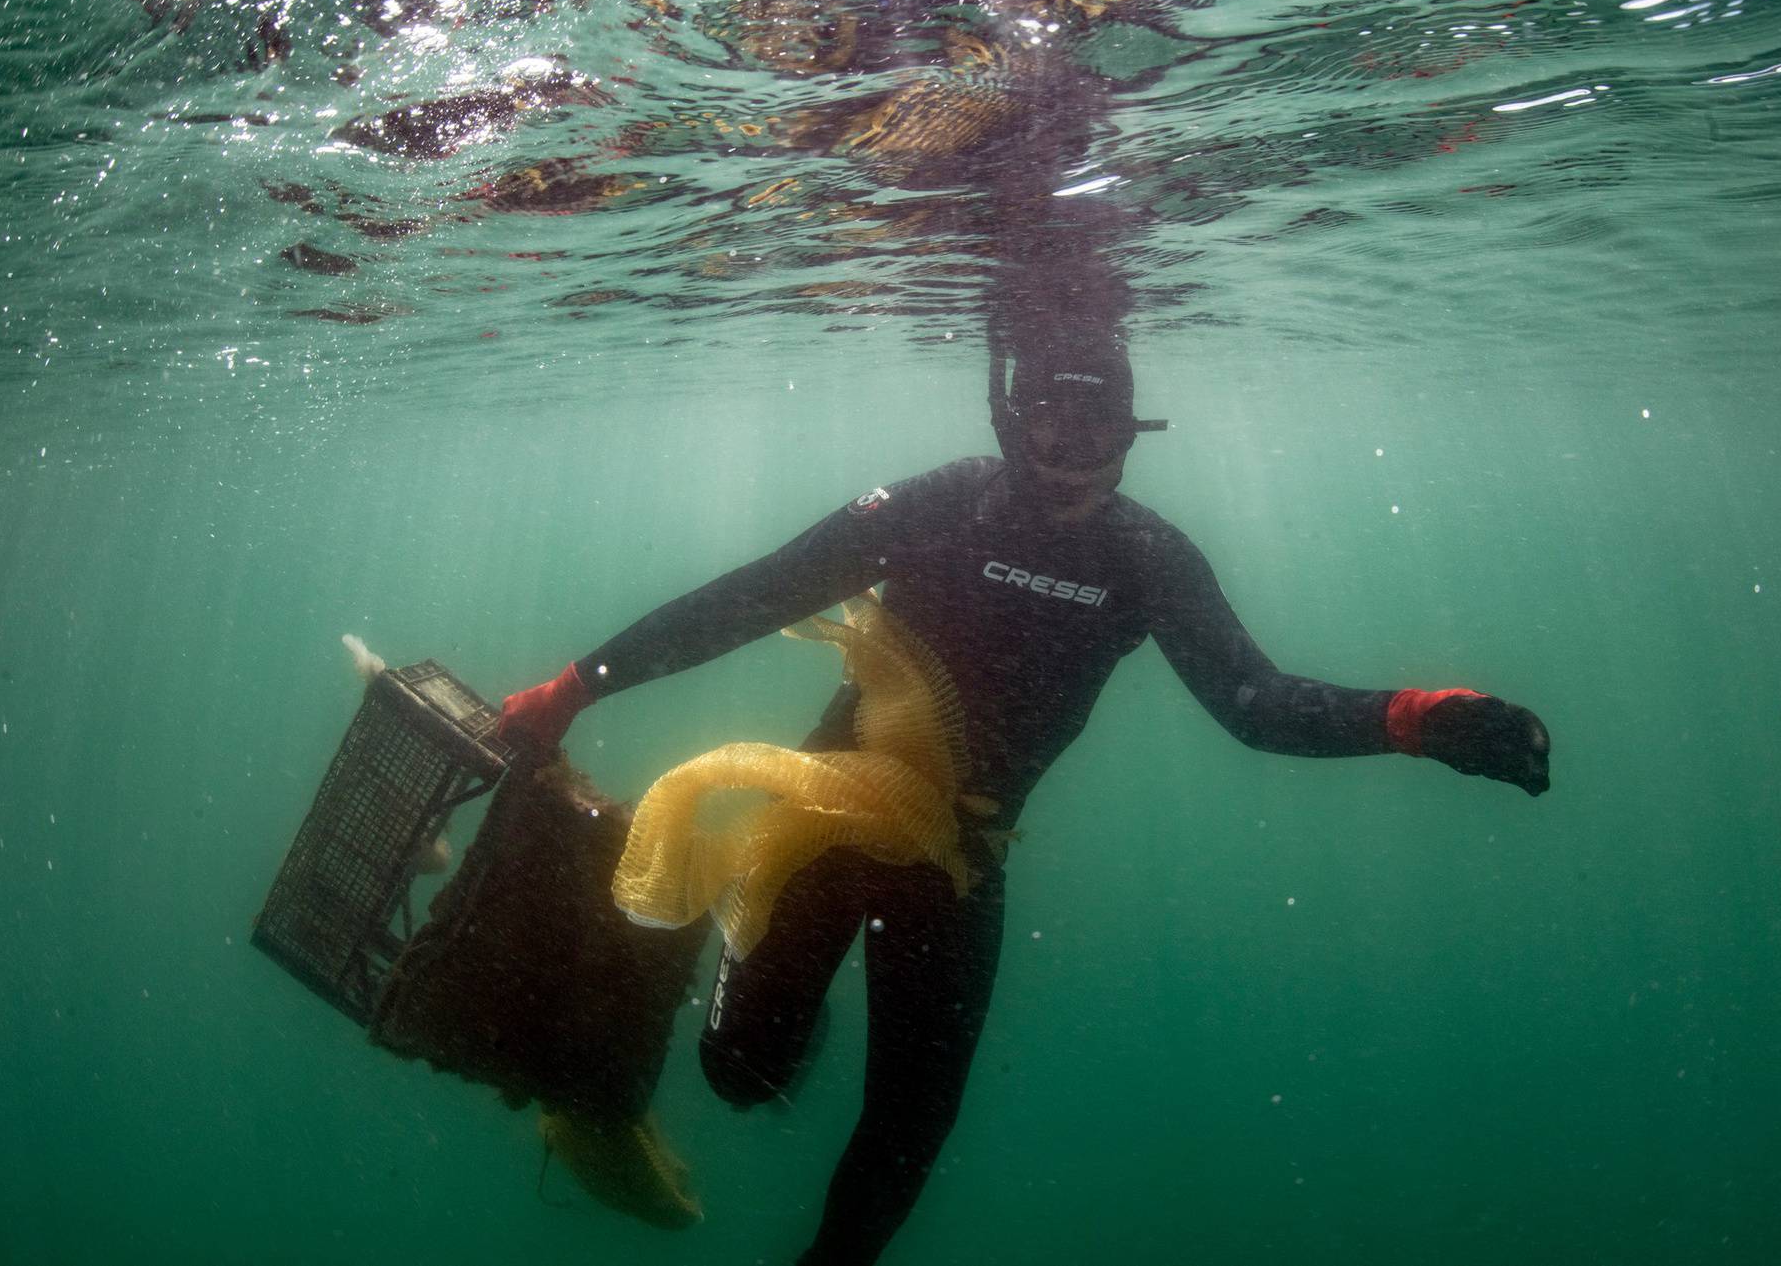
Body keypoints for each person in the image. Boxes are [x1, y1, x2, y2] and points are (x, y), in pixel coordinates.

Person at [497, 328, 1551, 1265]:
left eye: (1101, 423)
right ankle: (734, 1007)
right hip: (822, 820)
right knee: (739, 1077)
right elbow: (755, 594)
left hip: (963, 855)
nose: (1074, 449)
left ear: (1132, 429)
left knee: (915, 1119)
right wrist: (575, 686)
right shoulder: (933, 508)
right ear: (1009, 416)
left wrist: (1414, 719)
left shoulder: (1147, 557)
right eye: (1052, 415)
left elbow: (1255, 703)